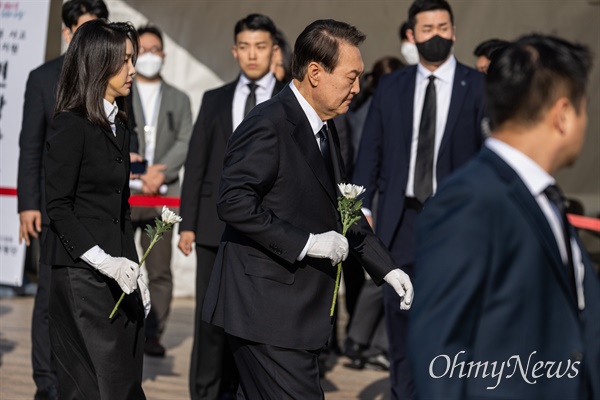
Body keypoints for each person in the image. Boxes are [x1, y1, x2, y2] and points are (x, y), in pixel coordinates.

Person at [202, 19, 414, 398]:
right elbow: (232, 200)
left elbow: (345, 209)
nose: (357, 89)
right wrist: (307, 243)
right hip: (265, 313)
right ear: (315, 73)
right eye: (351, 77)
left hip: (294, 318)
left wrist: (388, 267)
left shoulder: (325, 127)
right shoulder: (270, 122)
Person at [410, 34, 600, 400]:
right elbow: (438, 351)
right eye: (584, 108)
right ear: (562, 114)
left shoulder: (543, 196)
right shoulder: (470, 200)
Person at [352, 0, 486, 398]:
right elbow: (370, 150)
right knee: (400, 315)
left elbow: (489, 153)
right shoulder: (392, 86)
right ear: (412, 35)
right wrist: (363, 206)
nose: (436, 36)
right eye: (427, 29)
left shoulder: (477, 85)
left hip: (455, 222)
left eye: (443, 27)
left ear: (455, 31)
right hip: (401, 220)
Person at [178, 13, 285, 400]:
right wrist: (187, 223)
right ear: (234, 51)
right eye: (245, 47)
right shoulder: (214, 99)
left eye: (261, 47)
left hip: (273, 228)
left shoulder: (292, 98)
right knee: (209, 321)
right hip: (211, 227)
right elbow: (197, 163)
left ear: (274, 49)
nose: (252, 55)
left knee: (260, 322)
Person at [42, 19, 148, 399]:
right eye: (125, 61)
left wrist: (137, 268)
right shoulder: (71, 125)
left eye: (133, 59)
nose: (133, 70)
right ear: (99, 63)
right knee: (98, 384)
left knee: (125, 379)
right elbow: (58, 205)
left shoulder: (120, 123)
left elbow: (120, 208)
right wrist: (104, 261)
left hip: (117, 271)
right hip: (80, 274)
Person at [16, 1, 108, 398]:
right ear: (69, 32)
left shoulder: (113, 76)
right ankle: (46, 382)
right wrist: (27, 204)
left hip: (95, 210)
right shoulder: (42, 78)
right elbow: (30, 146)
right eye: (87, 30)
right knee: (48, 299)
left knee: (89, 298)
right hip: (52, 211)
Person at [129, 23, 192, 357]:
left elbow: (185, 140)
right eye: (144, 51)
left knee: (159, 268)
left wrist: (158, 172)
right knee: (122, 261)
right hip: (126, 191)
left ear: (163, 55)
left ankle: (152, 332)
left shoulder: (179, 99)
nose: (149, 57)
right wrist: (138, 171)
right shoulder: (122, 93)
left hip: (163, 194)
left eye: (155, 50)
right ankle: (125, 325)